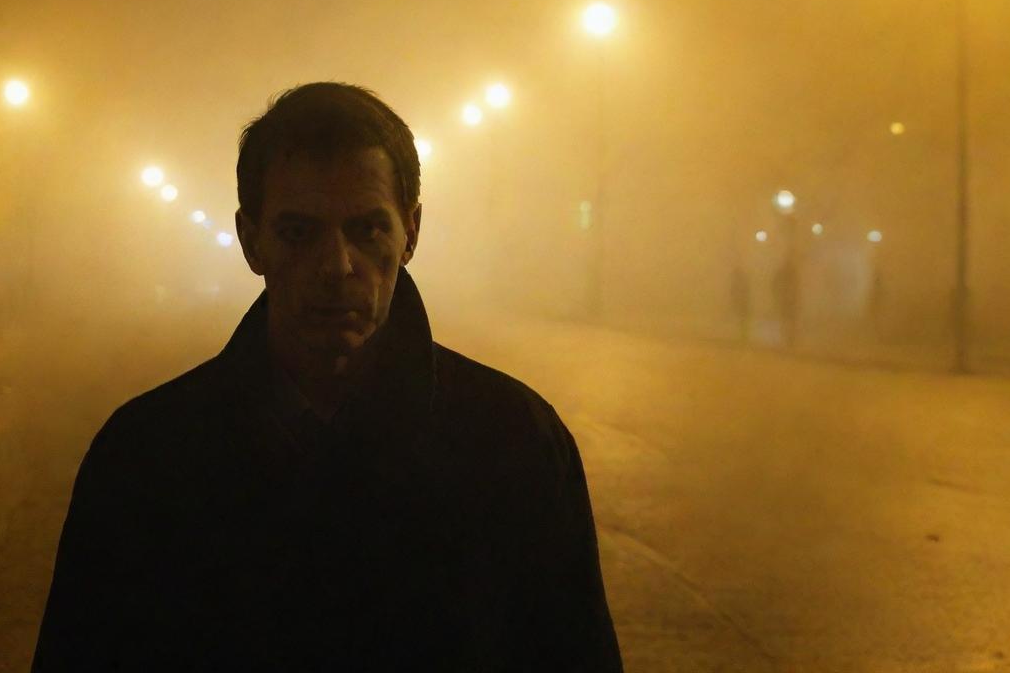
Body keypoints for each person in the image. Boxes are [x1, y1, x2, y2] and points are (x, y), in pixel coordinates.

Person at [32, 82, 623, 672]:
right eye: (299, 232)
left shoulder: (515, 444)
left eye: (367, 230)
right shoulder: (145, 459)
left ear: (410, 233)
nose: (337, 267)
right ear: (250, 239)